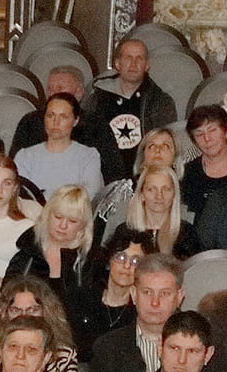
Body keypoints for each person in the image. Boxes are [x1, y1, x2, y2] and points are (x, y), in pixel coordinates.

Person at [86, 251, 186, 372]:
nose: (155, 302)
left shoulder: (202, 344)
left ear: (180, 296)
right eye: (147, 292)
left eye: (165, 293)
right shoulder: (108, 347)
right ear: (133, 294)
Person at [80, 36, 177, 184]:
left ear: (147, 65)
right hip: (104, 181)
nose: (134, 64)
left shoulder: (161, 102)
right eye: (128, 58)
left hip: (147, 182)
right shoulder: (95, 100)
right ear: (117, 64)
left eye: (139, 58)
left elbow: (167, 149)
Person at [4, 184, 94, 305]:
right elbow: (7, 298)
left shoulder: (90, 262)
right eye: (58, 217)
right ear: (47, 215)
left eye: (72, 221)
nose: (63, 226)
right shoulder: (27, 255)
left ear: (82, 226)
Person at [15, 93, 105, 198]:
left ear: (75, 121)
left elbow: (91, 195)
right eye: (50, 115)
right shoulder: (24, 157)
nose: (56, 122)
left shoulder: (88, 156)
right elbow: (22, 198)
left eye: (63, 117)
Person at [93, 126, 180, 230]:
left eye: (165, 146)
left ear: (175, 157)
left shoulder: (187, 193)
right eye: (151, 146)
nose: (158, 150)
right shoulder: (122, 193)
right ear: (142, 157)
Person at [109, 164, 193, 259]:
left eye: (166, 189)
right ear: (142, 194)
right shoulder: (124, 233)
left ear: (174, 195)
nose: (159, 196)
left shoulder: (186, 234)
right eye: (151, 189)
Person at [180, 106, 227, 218]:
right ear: (194, 141)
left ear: (226, 132)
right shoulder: (187, 173)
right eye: (199, 134)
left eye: (212, 130)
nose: (207, 139)